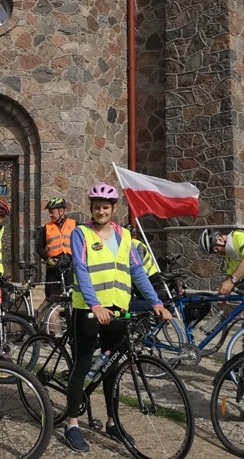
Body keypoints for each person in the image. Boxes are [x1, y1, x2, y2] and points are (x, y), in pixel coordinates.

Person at [63, 183, 172, 453]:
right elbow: (81, 269)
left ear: (114, 209)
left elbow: (137, 272)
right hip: (89, 309)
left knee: (112, 365)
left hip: (118, 309)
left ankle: (112, 422)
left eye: (106, 207)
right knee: (83, 363)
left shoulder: (124, 236)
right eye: (97, 207)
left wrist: (156, 302)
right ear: (91, 208)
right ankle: (72, 425)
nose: (102, 211)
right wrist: (95, 304)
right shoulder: (82, 233)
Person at [37, 197, 76, 298]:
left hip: (69, 266)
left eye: (52, 212)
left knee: (71, 296)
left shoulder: (74, 225)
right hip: (53, 267)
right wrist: (47, 259)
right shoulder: (47, 227)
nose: (50, 215)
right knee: (52, 297)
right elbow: (39, 247)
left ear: (61, 211)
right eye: (49, 212)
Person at [122, 224, 167, 311]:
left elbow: (138, 263)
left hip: (149, 274)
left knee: (144, 298)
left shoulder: (137, 244)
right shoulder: (125, 245)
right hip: (142, 274)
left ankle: (153, 313)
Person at [199, 228, 244, 295]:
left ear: (220, 240)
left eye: (216, 250)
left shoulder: (240, 238)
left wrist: (231, 281)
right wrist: (223, 291)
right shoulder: (230, 256)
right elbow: (232, 274)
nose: (217, 254)